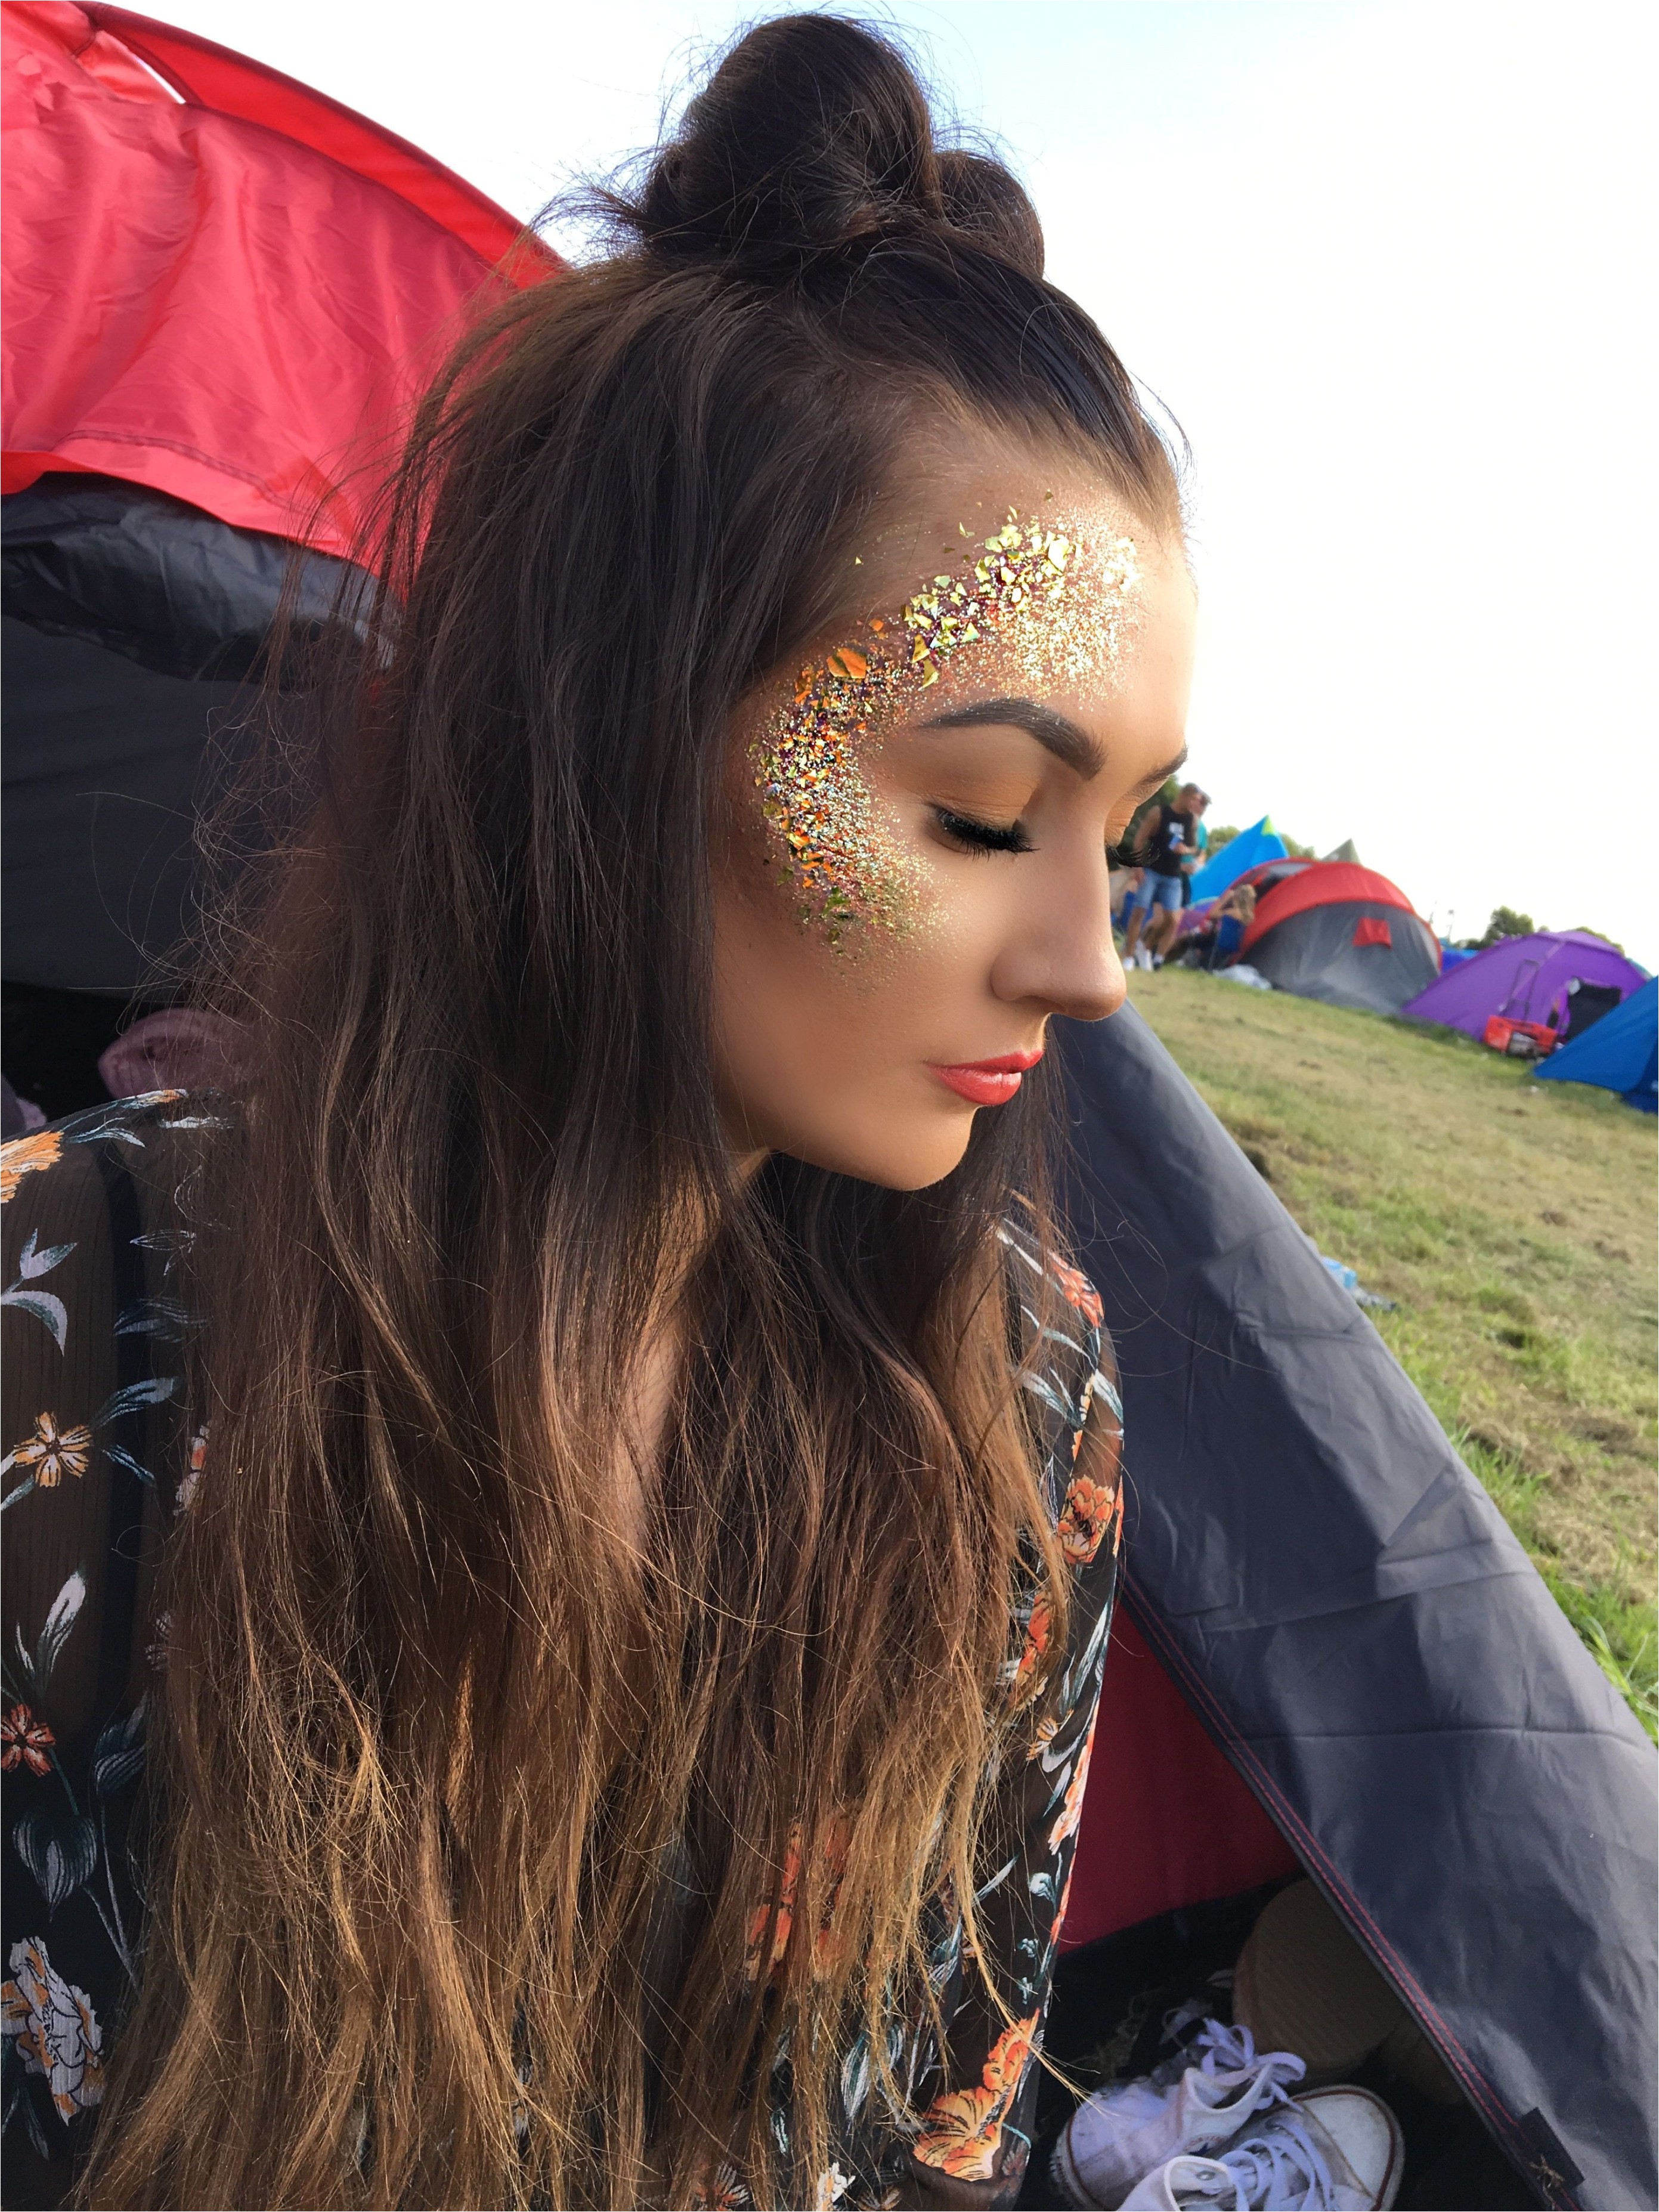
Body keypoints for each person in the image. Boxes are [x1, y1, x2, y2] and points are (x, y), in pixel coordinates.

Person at [0, 20, 1194, 2211]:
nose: (1086, 960)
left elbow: (950, 2129)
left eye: (1118, 837)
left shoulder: (1020, 1405)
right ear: (607, 730)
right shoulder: (68, 1308)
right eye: (976, 810)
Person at [1119, 781, 1200, 967]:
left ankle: (1145, 946)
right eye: (1194, 800)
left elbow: (1194, 847)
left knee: (1172, 920)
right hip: (1151, 870)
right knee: (1139, 912)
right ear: (1184, 796)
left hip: (1173, 876)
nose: (1196, 804)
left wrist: (1186, 850)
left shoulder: (1192, 820)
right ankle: (1129, 956)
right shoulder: (1160, 813)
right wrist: (1137, 866)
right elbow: (1140, 838)